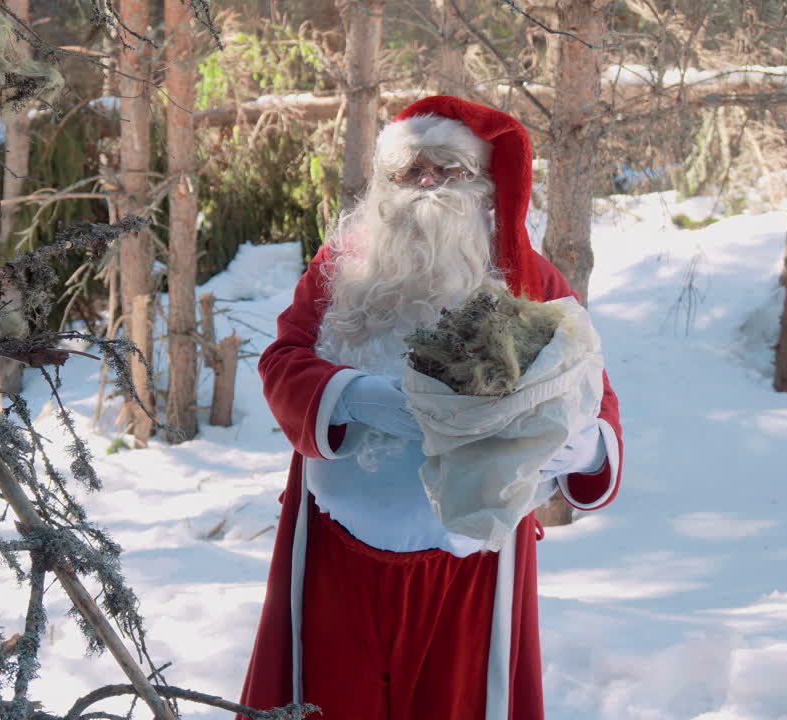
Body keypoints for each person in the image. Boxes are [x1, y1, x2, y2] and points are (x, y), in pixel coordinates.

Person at [237, 96, 624, 720]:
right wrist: (361, 399)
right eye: (408, 170)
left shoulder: (532, 282)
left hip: (471, 570)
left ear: (485, 187)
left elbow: (592, 393)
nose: (426, 184)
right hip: (338, 559)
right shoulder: (340, 269)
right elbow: (282, 361)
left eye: (447, 169)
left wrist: (578, 443)